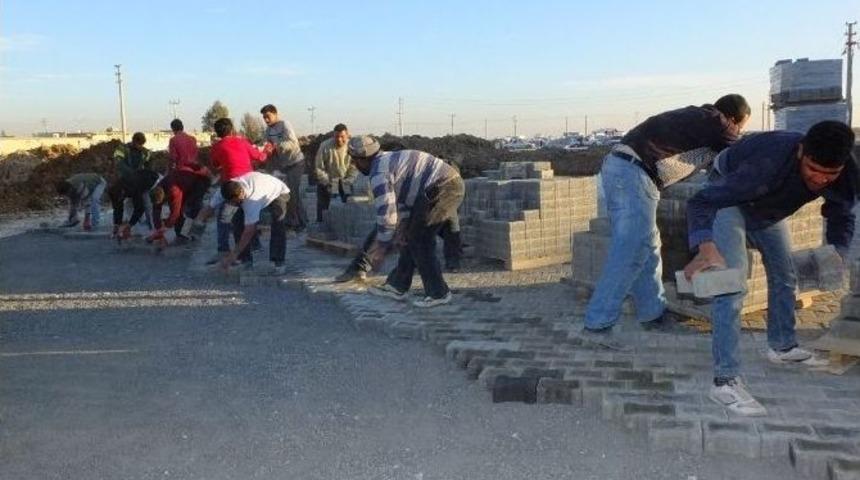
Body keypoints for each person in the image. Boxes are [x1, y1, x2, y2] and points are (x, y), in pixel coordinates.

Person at [683, 121, 857, 416]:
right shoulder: (767, 163)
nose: (819, 181)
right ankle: (724, 382)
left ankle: (782, 346)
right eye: (813, 169)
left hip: (768, 209)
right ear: (801, 151)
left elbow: (841, 211)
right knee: (731, 283)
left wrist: (838, 250)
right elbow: (701, 202)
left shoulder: (847, 172)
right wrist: (705, 245)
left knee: (785, 273)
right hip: (729, 199)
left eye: (830, 175)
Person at [580, 94, 751, 348]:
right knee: (631, 250)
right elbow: (741, 151)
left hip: (624, 170)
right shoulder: (718, 121)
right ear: (736, 119)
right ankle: (597, 324)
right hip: (633, 173)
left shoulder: (701, 120)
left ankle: (652, 313)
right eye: (742, 125)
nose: (737, 131)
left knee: (648, 248)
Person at [348, 135, 465, 308]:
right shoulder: (386, 161)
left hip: (444, 187)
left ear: (362, 159)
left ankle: (439, 293)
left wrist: (382, 246)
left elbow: (386, 214)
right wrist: (402, 226)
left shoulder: (379, 172)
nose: (354, 166)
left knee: (420, 240)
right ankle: (397, 285)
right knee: (411, 237)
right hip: (433, 190)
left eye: (355, 161)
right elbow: (401, 200)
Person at [192, 118, 268, 264]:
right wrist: (266, 151)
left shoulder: (216, 147)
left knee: (223, 217)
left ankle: (223, 249)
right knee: (249, 215)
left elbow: (215, 164)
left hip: (229, 186)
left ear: (217, 132)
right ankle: (255, 244)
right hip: (249, 184)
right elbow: (260, 157)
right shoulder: (242, 141)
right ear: (232, 129)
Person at [218, 172, 291, 274]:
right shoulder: (230, 187)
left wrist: (233, 254)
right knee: (237, 219)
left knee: (278, 223)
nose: (234, 204)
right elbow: (211, 208)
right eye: (232, 202)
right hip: (261, 188)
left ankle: (279, 262)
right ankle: (245, 261)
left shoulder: (252, 201)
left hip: (279, 192)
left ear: (241, 194)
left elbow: (249, 230)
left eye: (236, 200)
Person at [261, 104, 307, 234]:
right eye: (264, 118)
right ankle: (299, 220)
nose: (266, 120)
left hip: (295, 162)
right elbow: (268, 148)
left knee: (293, 192)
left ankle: (297, 223)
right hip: (282, 165)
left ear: (275, 114)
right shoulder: (268, 131)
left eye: (268, 117)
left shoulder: (285, 125)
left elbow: (293, 143)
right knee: (285, 194)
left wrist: (276, 145)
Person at [149, 165, 211, 246]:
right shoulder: (157, 189)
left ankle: (192, 235)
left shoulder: (173, 191)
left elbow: (175, 214)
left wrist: (164, 229)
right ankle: (180, 234)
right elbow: (156, 209)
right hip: (183, 182)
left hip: (199, 183)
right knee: (179, 211)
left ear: (164, 196)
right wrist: (158, 228)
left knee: (188, 209)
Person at [314, 123, 357, 222]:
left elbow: (354, 166)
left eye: (342, 136)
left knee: (346, 208)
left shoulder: (352, 147)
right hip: (328, 181)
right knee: (324, 210)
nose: (339, 139)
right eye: (336, 136)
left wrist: (348, 180)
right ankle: (322, 227)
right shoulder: (325, 146)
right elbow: (319, 167)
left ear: (347, 135)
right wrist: (327, 182)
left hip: (345, 180)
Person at [113, 132, 155, 230]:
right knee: (126, 204)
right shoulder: (122, 149)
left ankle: (151, 227)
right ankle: (131, 226)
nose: (140, 147)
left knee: (147, 204)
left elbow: (150, 164)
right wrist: (132, 173)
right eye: (139, 144)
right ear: (133, 141)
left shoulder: (145, 152)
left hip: (139, 183)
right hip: (126, 182)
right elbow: (119, 164)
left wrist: (147, 175)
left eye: (142, 145)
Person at [107, 169, 161, 240]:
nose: (120, 200)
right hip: (139, 184)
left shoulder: (132, 186)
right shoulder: (113, 192)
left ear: (122, 192)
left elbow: (140, 208)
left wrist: (129, 225)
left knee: (147, 205)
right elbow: (117, 208)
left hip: (153, 181)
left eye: (121, 197)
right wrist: (116, 225)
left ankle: (154, 231)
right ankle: (141, 229)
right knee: (128, 207)